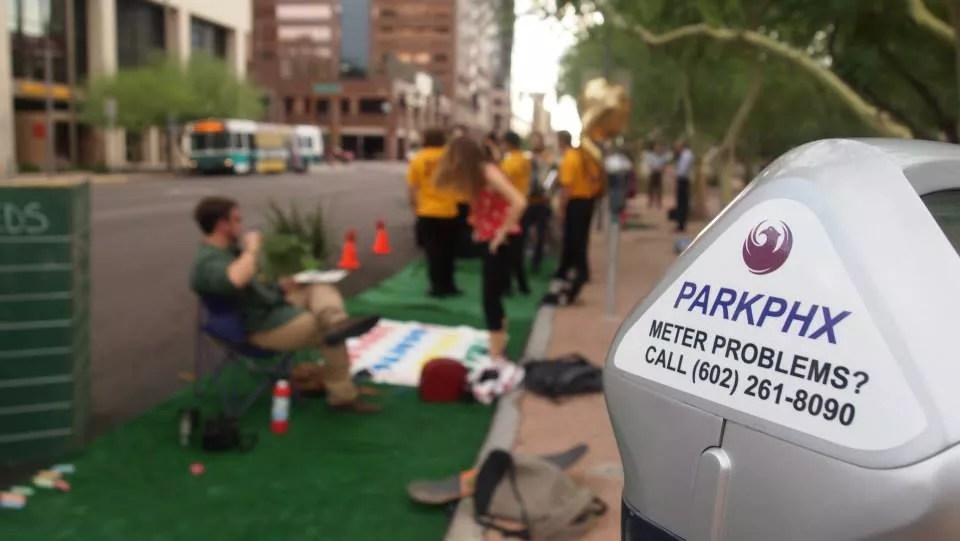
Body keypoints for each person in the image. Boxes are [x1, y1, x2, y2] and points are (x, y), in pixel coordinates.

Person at [189, 197, 382, 413]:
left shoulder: (228, 252)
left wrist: (281, 286)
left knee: (317, 288)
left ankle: (336, 321)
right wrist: (252, 249)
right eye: (236, 220)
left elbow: (251, 288)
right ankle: (342, 397)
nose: (240, 226)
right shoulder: (207, 262)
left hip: (266, 308)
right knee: (324, 329)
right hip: (257, 328)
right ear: (221, 225)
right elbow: (235, 280)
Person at [434, 137, 527, 361]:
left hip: (502, 241)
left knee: (490, 297)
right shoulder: (479, 174)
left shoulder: (487, 172)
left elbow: (519, 202)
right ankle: (499, 343)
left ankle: (496, 353)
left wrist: (501, 233)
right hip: (494, 239)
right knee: (493, 295)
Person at [407, 128, 463, 297]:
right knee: (449, 251)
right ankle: (450, 284)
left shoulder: (418, 159)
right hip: (449, 211)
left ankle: (436, 286)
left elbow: (412, 188)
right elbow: (460, 183)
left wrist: (415, 208)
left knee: (433, 251)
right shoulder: (451, 158)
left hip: (427, 211)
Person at [552, 131, 603, 304]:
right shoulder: (582, 157)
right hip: (587, 201)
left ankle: (579, 271)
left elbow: (566, 187)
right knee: (581, 238)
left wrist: (561, 207)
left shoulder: (569, 159)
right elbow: (596, 177)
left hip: (576, 202)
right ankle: (572, 269)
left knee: (574, 239)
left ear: (561, 142)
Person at [500, 131, 532, 295]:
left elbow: (502, 182)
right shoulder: (523, 159)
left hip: (512, 208)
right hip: (522, 204)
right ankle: (522, 284)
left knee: (508, 248)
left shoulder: (511, 162)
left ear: (508, 143)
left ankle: (507, 285)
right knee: (517, 248)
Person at [525, 132, 555, 274]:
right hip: (527, 201)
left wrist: (546, 189)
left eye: (537, 141)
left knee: (541, 234)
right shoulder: (526, 158)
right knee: (522, 232)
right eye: (533, 141)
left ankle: (536, 263)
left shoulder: (548, 158)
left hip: (542, 201)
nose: (534, 143)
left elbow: (552, 176)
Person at [672, 140, 694, 232]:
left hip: (683, 180)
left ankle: (681, 224)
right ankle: (680, 223)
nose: (675, 150)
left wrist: (675, 174)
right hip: (682, 179)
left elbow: (682, 170)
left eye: (676, 148)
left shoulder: (686, 155)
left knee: (682, 202)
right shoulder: (684, 155)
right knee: (681, 202)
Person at [645, 141, 666, 209]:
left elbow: (663, 165)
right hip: (653, 173)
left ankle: (658, 202)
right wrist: (656, 167)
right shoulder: (651, 156)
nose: (657, 149)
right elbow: (650, 164)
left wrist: (661, 168)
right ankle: (650, 201)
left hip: (659, 173)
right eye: (656, 148)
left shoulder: (662, 156)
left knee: (659, 188)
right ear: (654, 149)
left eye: (659, 148)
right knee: (651, 188)